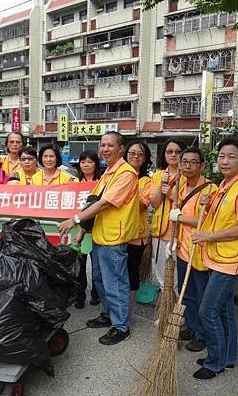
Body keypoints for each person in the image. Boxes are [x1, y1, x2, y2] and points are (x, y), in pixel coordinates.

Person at [58, 132, 140, 346]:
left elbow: (104, 204)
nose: (105, 149)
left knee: (115, 282)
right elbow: (93, 203)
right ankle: (108, 314)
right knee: (101, 280)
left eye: (110, 145)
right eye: (102, 145)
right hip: (100, 235)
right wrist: (83, 230)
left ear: (121, 149)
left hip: (114, 238)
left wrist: (73, 220)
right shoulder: (108, 173)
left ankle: (121, 326)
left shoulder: (126, 173)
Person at [191, 138, 238, 380]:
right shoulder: (225, 185)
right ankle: (227, 357)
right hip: (217, 257)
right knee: (224, 310)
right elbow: (221, 218)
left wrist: (209, 236)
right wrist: (206, 205)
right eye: (221, 156)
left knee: (207, 311)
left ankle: (215, 362)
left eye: (231, 156)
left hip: (230, 261)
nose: (225, 160)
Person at [168, 148, 215, 352]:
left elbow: (204, 221)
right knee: (186, 293)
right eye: (184, 162)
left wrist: (179, 217)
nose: (187, 166)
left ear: (202, 165)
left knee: (201, 294)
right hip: (182, 248)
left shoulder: (209, 190)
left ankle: (202, 334)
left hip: (200, 250)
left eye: (193, 162)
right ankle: (192, 326)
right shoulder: (181, 186)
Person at [149, 138, 187, 288]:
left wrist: (172, 195)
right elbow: (154, 203)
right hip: (159, 230)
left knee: (176, 274)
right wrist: (161, 185)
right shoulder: (158, 176)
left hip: (179, 232)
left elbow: (190, 204)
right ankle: (166, 300)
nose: (173, 155)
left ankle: (175, 301)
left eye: (178, 152)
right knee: (160, 272)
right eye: (169, 152)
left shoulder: (188, 175)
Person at [123, 141, 153, 311]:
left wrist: (123, 192)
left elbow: (141, 206)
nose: (135, 156)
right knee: (117, 274)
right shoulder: (117, 177)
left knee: (132, 274)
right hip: (116, 234)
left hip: (135, 236)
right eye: (132, 153)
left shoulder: (146, 182)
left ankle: (128, 310)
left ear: (145, 159)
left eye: (140, 154)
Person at [72, 150, 101, 309]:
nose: (86, 165)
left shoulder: (102, 181)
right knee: (79, 265)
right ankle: (79, 295)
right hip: (77, 228)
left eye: (90, 161)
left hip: (97, 229)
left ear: (96, 164)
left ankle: (96, 293)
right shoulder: (74, 182)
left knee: (97, 266)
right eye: (83, 162)